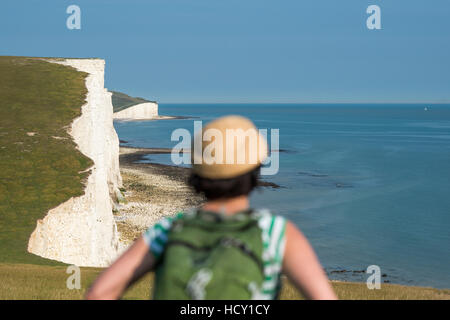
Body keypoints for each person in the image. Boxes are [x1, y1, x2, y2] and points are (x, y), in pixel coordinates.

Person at [86, 115, 337, 300]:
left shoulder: (167, 231)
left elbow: (99, 293)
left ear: (197, 174)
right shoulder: (277, 233)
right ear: (255, 173)